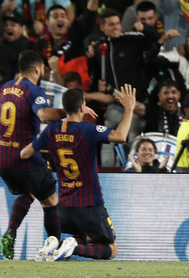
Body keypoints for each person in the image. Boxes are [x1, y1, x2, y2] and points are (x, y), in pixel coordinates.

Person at [0, 51, 88, 260]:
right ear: (38, 69)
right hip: (25, 157)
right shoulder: (33, 90)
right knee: (51, 200)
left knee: (28, 192)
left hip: (2, 159)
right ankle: (55, 250)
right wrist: (71, 111)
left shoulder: (2, 88)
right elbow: (44, 114)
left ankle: (11, 232)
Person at [20, 84, 136, 260]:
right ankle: (72, 247)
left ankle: (55, 244)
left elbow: (24, 153)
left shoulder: (51, 130)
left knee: (87, 238)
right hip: (89, 204)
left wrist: (47, 167)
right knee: (111, 249)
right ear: (82, 107)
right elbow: (120, 136)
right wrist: (129, 108)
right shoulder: (87, 129)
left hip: (64, 207)